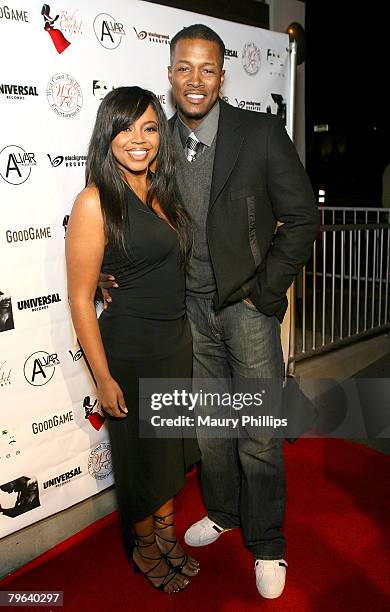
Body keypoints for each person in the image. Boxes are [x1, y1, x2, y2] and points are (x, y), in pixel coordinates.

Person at [100, 25, 320, 599]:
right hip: (186, 314)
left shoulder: (262, 133)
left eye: (207, 69)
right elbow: (129, 215)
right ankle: (223, 511)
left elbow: (301, 220)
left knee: (259, 433)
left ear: (222, 76)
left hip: (247, 311)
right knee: (212, 431)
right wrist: (105, 266)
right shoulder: (157, 141)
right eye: (184, 69)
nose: (195, 81)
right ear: (170, 76)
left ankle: (268, 541)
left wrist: (265, 294)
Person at [65, 86, 200, 593]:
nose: (138, 139)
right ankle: (145, 549)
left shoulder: (162, 193)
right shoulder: (94, 201)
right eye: (125, 128)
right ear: (107, 135)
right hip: (130, 352)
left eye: (148, 128)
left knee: (168, 454)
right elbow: (81, 298)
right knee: (142, 459)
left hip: (174, 344)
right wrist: (102, 377)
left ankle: (166, 536)